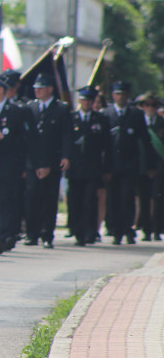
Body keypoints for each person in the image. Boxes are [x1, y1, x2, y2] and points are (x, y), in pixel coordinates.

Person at [0, 71, 35, 254]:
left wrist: (24, 166)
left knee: (7, 202)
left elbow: (26, 140)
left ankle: (1, 236)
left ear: (1, 90)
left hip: (10, 166)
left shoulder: (17, 111)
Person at [24, 74, 72, 249]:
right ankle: (32, 233)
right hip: (33, 161)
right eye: (36, 87)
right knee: (31, 198)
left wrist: (66, 156)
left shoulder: (61, 108)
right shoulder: (30, 107)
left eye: (41, 87)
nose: (37, 90)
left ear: (50, 89)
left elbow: (67, 134)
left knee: (49, 199)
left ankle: (47, 234)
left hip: (52, 159)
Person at [102, 80, 150, 244]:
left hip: (130, 163)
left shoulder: (136, 114)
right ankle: (116, 230)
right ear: (113, 95)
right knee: (113, 198)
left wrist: (148, 165)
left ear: (128, 96)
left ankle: (128, 228)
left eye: (123, 94)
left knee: (127, 197)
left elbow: (145, 140)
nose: (120, 97)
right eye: (117, 94)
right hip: (111, 164)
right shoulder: (106, 113)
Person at [67, 86, 112, 246]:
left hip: (93, 168)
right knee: (75, 201)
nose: (86, 103)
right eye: (83, 100)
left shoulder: (100, 120)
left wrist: (107, 168)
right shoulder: (71, 118)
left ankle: (90, 232)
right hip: (75, 167)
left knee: (89, 200)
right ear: (79, 101)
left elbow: (108, 146)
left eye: (89, 100)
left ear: (93, 102)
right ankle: (78, 231)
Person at [135, 93, 164, 241]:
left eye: (153, 105)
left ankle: (157, 229)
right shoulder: (138, 122)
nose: (150, 107)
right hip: (142, 167)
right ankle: (146, 229)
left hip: (159, 168)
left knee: (158, 199)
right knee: (144, 199)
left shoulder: (162, 123)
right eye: (147, 104)